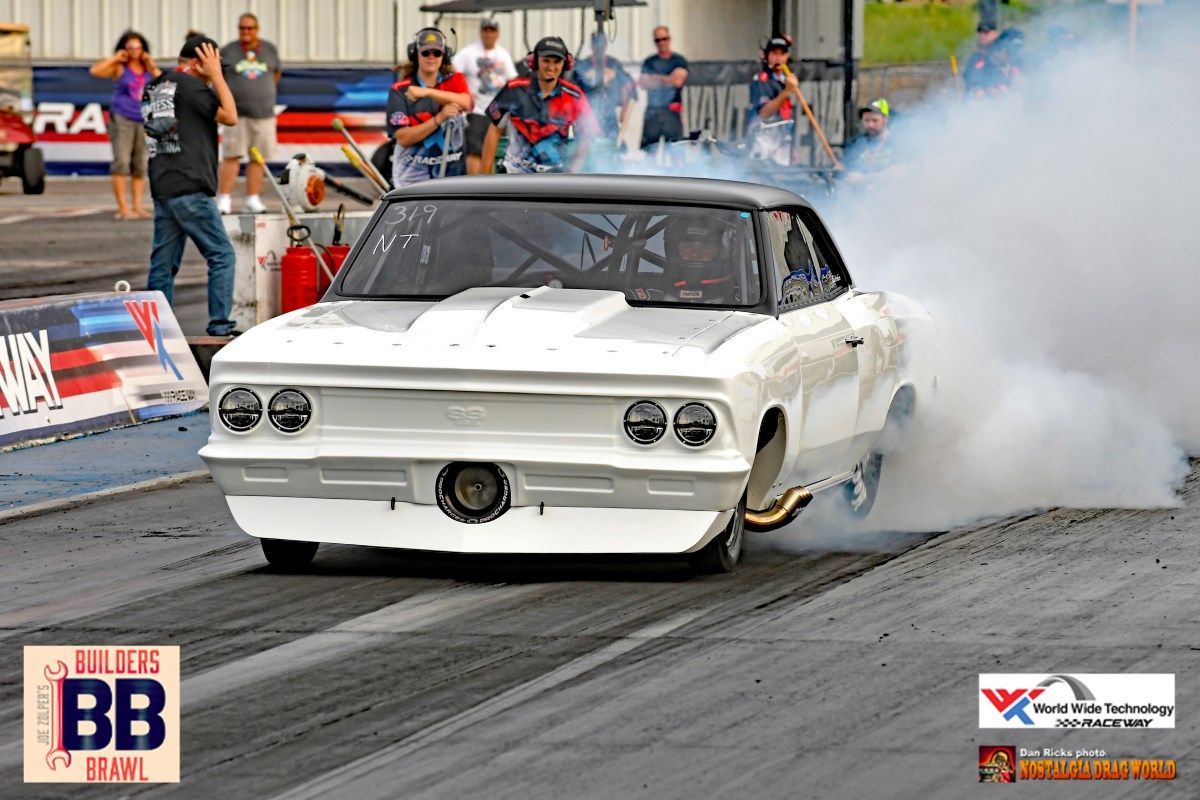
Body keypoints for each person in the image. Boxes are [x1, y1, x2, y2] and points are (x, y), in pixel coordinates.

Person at [141, 35, 238, 337]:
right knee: (222, 255)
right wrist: (217, 77)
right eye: (213, 63)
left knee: (164, 264)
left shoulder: (155, 85)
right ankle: (220, 326)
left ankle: (156, 331)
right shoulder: (191, 85)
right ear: (198, 62)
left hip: (163, 183)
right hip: (191, 184)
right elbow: (230, 116)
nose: (216, 70)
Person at [482, 36, 597, 174]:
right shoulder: (513, 89)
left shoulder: (575, 96)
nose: (551, 67)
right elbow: (494, 130)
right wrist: (486, 174)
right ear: (534, 62)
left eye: (557, 61)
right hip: (514, 176)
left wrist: (572, 172)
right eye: (546, 61)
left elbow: (587, 136)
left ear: (566, 64)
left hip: (555, 178)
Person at [386, 28, 473, 187]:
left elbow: (466, 103)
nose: (431, 57)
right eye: (426, 53)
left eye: (437, 53)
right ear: (416, 54)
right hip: (412, 178)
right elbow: (403, 138)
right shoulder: (399, 90)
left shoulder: (455, 80)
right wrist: (439, 118)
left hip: (453, 176)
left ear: (444, 56)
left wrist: (426, 92)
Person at [90, 30, 161, 220]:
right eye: (130, 47)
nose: (134, 51)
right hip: (123, 118)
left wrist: (151, 63)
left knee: (140, 164)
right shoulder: (120, 68)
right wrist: (115, 58)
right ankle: (123, 206)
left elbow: (163, 82)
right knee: (121, 162)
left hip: (144, 119)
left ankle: (137, 205)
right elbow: (95, 71)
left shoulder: (147, 68)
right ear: (125, 49)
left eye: (138, 47)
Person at [216, 13, 281, 214]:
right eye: (243, 28)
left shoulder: (269, 49)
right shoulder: (229, 50)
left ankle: (252, 199)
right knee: (231, 155)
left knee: (258, 158)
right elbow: (218, 77)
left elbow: (276, 74)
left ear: (257, 29)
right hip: (237, 115)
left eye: (250, 28)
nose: (246, 31)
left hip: (264, 115)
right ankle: (224, 199)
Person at [452, 17, 517, 175]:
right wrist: (464, 92)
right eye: (486, 30)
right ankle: (473, 188)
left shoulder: (503, 54)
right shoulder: (469, 52)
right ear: (481, 32)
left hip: (499, 112)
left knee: (496, 151)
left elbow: (513, 80)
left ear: (497, 33)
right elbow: (452, 70)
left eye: (492, 30)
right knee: (475, 150)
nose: (489, 34)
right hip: (478, 111)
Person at [659, 213, 740, 304]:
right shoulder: (649, 292)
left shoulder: (742, 296)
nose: (695, 254)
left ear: (719, 252)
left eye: (705, 248)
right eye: (688, 247)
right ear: (675, 250)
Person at [572, 32, 635, 144]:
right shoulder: (583, 65)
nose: (599, 49)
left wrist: (625, 109)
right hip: (588, 114)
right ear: (592, 46)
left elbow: (627, 85)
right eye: (596, 46)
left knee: (613, 145)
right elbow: (573, 88)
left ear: (606, 46)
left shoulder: (614, 64)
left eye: (602, 46)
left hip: (609, 115)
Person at [747, 35, 798, 166]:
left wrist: (792, 147)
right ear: (767, 55)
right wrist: (786, 91)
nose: (778, 58)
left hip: (782, 142)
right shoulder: (761, 79)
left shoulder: (785, 79)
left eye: (782, 54)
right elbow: (764, 113)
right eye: (774, 53)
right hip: (763, 140)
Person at [639, 26, 688, 150]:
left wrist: (655, 78)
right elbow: (644, 83)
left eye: (664, 39)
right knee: (649, 153)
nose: (661, 42)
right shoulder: (649, 61)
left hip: (672, 112)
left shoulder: (679, 60)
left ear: (669, 39)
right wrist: (668, 79)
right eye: (658, 40)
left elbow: (678, 81)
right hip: (653, 112)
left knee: (676, 151)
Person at [842, 98, 892, 175]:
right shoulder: (855, 142)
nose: (870, 125)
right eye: (866, 120)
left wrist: (865, 179)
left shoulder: (897, 141)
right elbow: (846, 167)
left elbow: (901, 171)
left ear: (885, 119)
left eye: (875, 120)